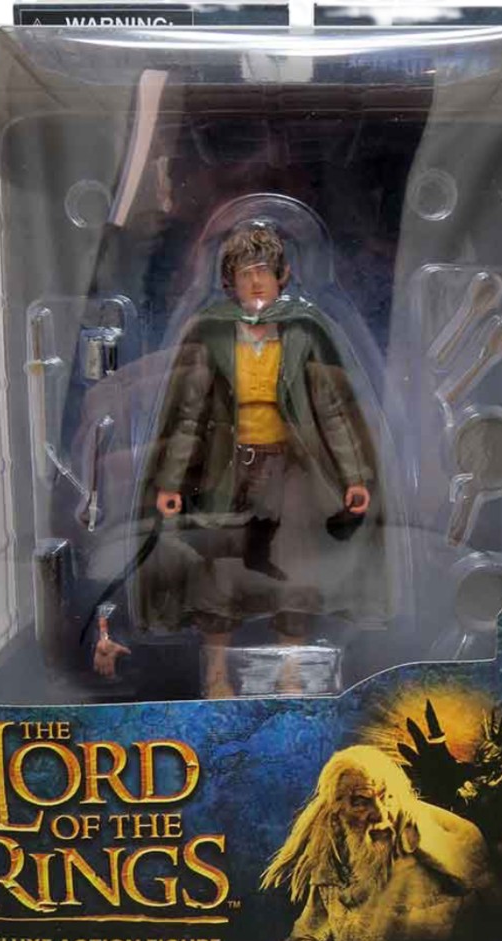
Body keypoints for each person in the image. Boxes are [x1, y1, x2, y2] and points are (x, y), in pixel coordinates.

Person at [135, 221, 386, 697]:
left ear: (281, 276)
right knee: (216, 570)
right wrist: (169, 482)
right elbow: (188, 416)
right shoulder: (212, 332)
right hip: (225, 472)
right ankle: (215, 676)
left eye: (264, 271)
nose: (255, 282)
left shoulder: (303, 331)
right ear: (229, 279)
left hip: (290, 471)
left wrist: (355, 476)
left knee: (295, 570)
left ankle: (291, 673)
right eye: (245, 273)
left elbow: (333, 412)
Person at [260, 745, 493, 941]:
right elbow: (312, 933)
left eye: (386, 797)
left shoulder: (420, 856)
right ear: (336, 809)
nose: (380, 814)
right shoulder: (338, 848)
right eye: (361, 802)